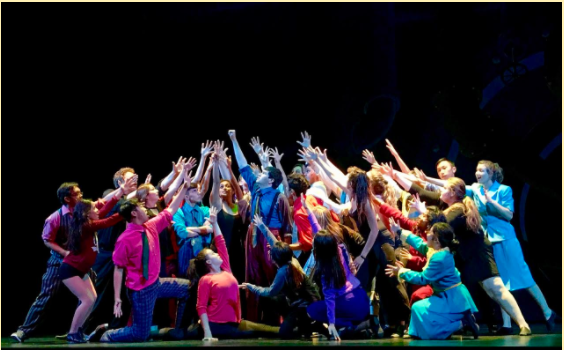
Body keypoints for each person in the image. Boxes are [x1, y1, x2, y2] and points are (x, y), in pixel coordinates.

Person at [388, 166, 533, 336]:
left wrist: (423, 211)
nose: (440, 191)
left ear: (453, 193)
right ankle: (463, 322)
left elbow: (442, 225)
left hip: (478, 253)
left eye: (445, 189)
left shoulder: (457, 208)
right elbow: (419, 191)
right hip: (464, 255)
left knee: (495, 289)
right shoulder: (447, 203)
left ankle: (523, 324)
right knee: (476, 290)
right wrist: (394, 175)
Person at [89, 179, 191, 343]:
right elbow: (118, 269)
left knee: (187, 289)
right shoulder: (125, 239)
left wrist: (185, 188)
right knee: (140, 334)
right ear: (134, 214)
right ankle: (107, 334)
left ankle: (178, 331)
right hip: (141, 290)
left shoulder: (149, 226)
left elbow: (169, 210)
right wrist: (117, 299)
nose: (146, 209)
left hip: (155, 283)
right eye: (141, 208)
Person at [468, 160, 558, 334]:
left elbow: (508, 215)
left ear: (491, 173)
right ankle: (507, 323)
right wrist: (426, 179)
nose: (478, 173)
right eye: (477, 170)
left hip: (506, 239)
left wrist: (491, 202)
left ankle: (547, 312)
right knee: (500, 283)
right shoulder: (476, 189)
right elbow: (453, 186)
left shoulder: (504, 190)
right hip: (489, 241)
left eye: (482, 171)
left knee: (524, 277)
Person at [183, 207, 280, 340]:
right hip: (216, 324)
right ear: (208, 262)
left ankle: (296, 329)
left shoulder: (225, 269)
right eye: (213, 254)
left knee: (269, 330)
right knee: (264, 332)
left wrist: (215, 223)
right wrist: (207, 333)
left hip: (234, 323)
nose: (217, 253)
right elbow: (201, 307)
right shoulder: (206, 279)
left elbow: (221, 243)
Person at [228, 129, 292, 324]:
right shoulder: (255, 188)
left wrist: (285, 255)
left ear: (271, 180)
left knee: (272, 278)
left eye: (264, 173)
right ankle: (253, 321)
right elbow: (242, 165)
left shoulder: (280, 197)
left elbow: (287, 229)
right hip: (252, 237)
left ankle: (277, 321)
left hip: (270, 239)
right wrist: (234, 139)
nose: (260, 174)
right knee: (252, 278)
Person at [12, 183, 84, 342]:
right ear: (67, 198)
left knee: (88, 296)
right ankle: (23, 331)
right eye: (77, 194)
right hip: (59, 262)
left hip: (79, 262)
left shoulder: (81, 212)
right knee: (47, 295)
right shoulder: (55, 218)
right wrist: (64, 253)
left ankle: (77, 330)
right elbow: (47, 240)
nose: (81, 196)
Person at [386, 222, 479, 340]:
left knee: (423, 313)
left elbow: (423, 278)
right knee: (419, 307)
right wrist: (399, 231)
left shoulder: (440, 257)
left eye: (430, 233)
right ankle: (419, 332)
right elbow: (420, 244)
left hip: (451, 299)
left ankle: (462, 323)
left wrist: (402, 271)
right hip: (443, 294)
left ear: (437, 240)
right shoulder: (437, 250)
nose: (426, 233)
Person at [61, 183, 127, 343]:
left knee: (93, 297)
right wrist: (124, 212)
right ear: (86, 213)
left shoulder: (88, 221)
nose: (98, 211)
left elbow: (104, 211)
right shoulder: (86, 225)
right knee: (87, 299)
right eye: (94, 209)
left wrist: (119, 195)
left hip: (81, 270)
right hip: (70, 270)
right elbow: (107, 221)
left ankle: (78, 330)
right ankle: (72, 332)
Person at [240, 213, 321, 339]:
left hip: (305, 305)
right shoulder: (289, 258)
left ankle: (308, 325)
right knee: (275, 300)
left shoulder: (283, 272)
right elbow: (275, 243)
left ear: (275, 259)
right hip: (303, 301)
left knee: (285, 332)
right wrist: (262, 226)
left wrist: (251, 287)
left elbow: (270, 291)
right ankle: (303, 324)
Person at [306, 230, 370, 341]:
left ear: (319, 249)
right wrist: (309, 213)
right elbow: (319, 231)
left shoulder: (326, 272)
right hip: (363, 299)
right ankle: (365, 322)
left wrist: (331, 323)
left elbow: (330, 300)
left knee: (311, 310)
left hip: (350, 305)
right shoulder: (339, 251)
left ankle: (354, 326)